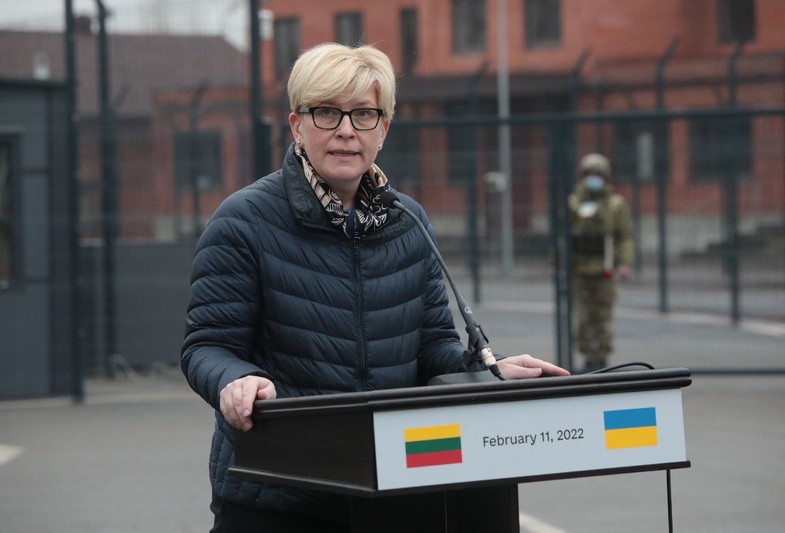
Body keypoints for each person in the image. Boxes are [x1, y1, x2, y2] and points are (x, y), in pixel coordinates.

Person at [181, 42, 570, 533]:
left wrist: (488, 373)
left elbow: (432, 351)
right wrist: (234, 380)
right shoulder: (242, 221)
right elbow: (208, 347)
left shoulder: (409, 222)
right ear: (297, 125)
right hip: (277, 494)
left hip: (394, 488)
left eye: (363, 114)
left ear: (383, 130)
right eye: (327, 112)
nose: (346, 131)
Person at [568, 153, 634, 373]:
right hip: (580, 270)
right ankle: (587, 358)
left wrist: (624, 263)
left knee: (603, 318)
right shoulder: (575, 203)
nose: (593, 179)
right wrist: (557, 262)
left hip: (605, 270)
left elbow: (624, 236)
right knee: (584, 318)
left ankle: (602, 358)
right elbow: (564, 235)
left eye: (597, 174)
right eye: (589, 175)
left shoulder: (615, 205)